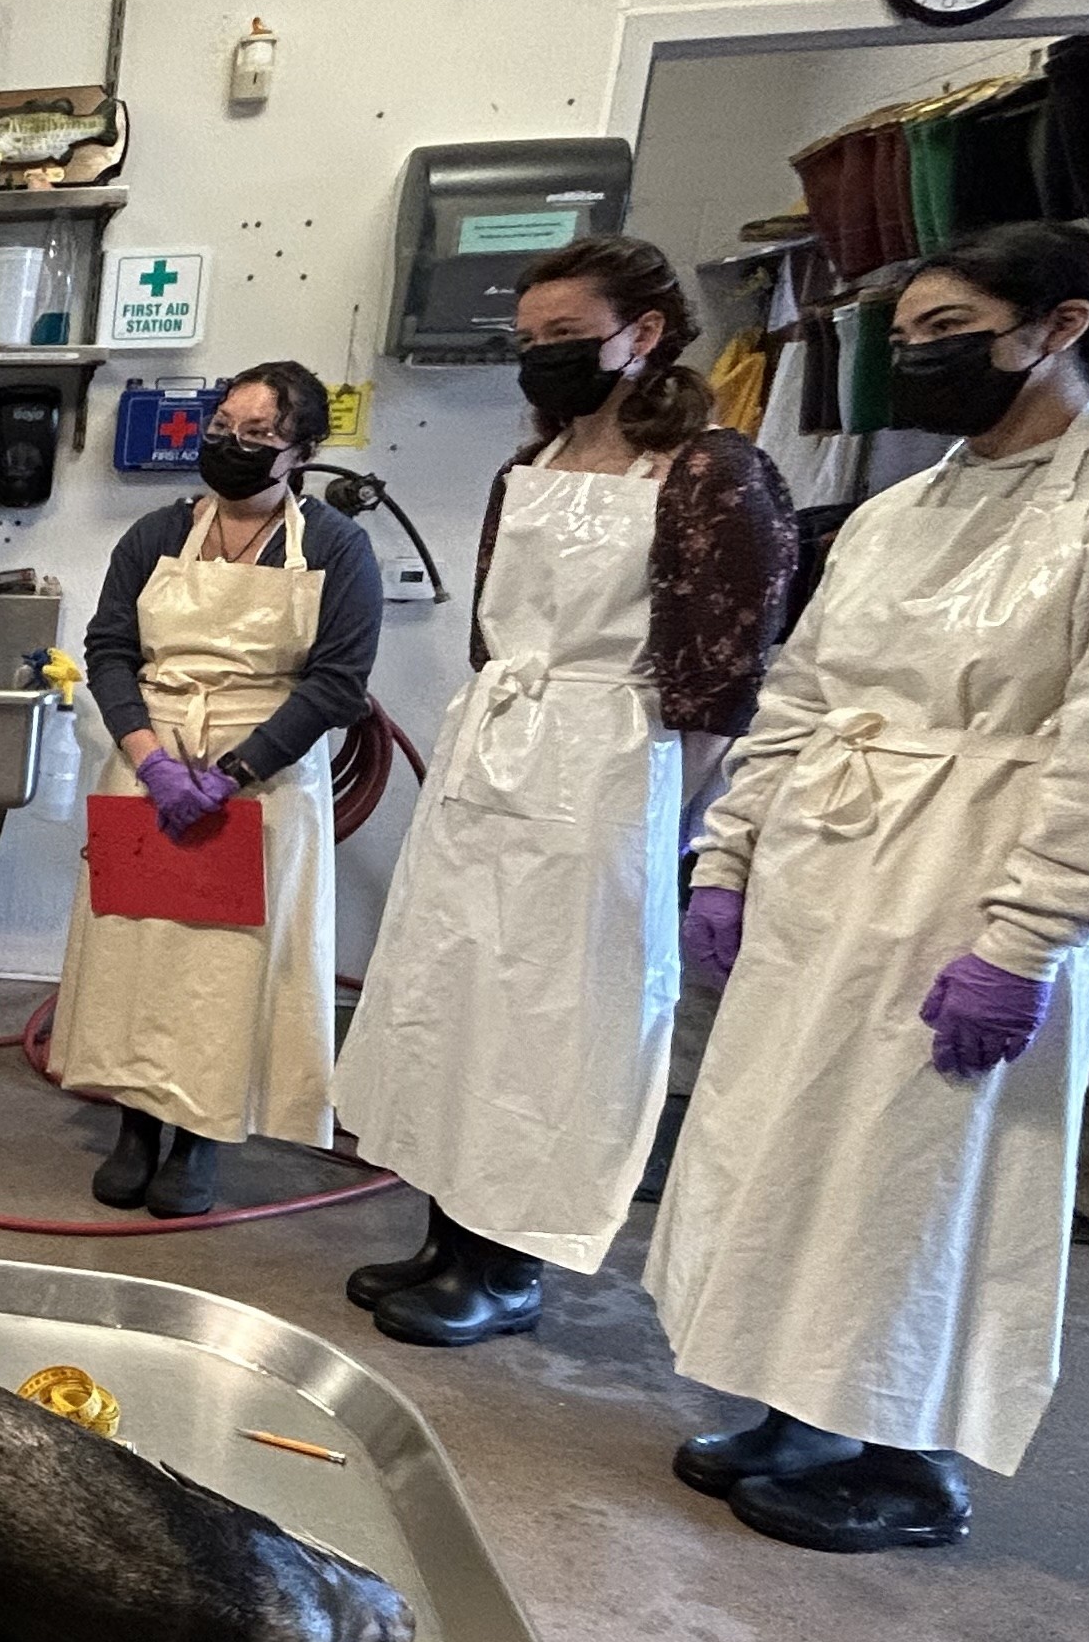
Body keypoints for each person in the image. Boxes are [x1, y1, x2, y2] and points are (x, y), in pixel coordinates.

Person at [649, 225, 1089, 1552]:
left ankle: (909, 1452)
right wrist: (732, 848)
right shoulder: (902, 508)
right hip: (830, 876)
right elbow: (805, 692)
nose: (913, 356)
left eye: (945, 329)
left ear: (1055, 325)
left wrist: (1031, 938)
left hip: (973, 885)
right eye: (906, 332)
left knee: (922, 1174)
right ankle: (795, 1401)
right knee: (789, 1143)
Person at [330, 234, 795, 1347]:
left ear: (642, 337)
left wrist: (662, 829)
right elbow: (500, 629)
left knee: (551, 1020)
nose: (539, 358)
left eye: (566, 338)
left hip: (606, 766)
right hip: (499, 748)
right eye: (528, 340)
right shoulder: (522, 470)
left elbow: (719, 682)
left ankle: (508, 1265)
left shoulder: (711, 474)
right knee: (453, 998)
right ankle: (447, 1231)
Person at [54, 362, 380, 1216]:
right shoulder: (156, 533)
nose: (232, 447)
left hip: (258, 782)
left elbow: (338, 683)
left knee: (223, 968)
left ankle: (200, 1136)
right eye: (223, 429)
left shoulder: (338, 548)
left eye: (259, 437)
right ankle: (133, 1122)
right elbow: (111, 647)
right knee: (134, 949)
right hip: (148, 766)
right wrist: (151, 759)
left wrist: (233, 773)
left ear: (303, 452)